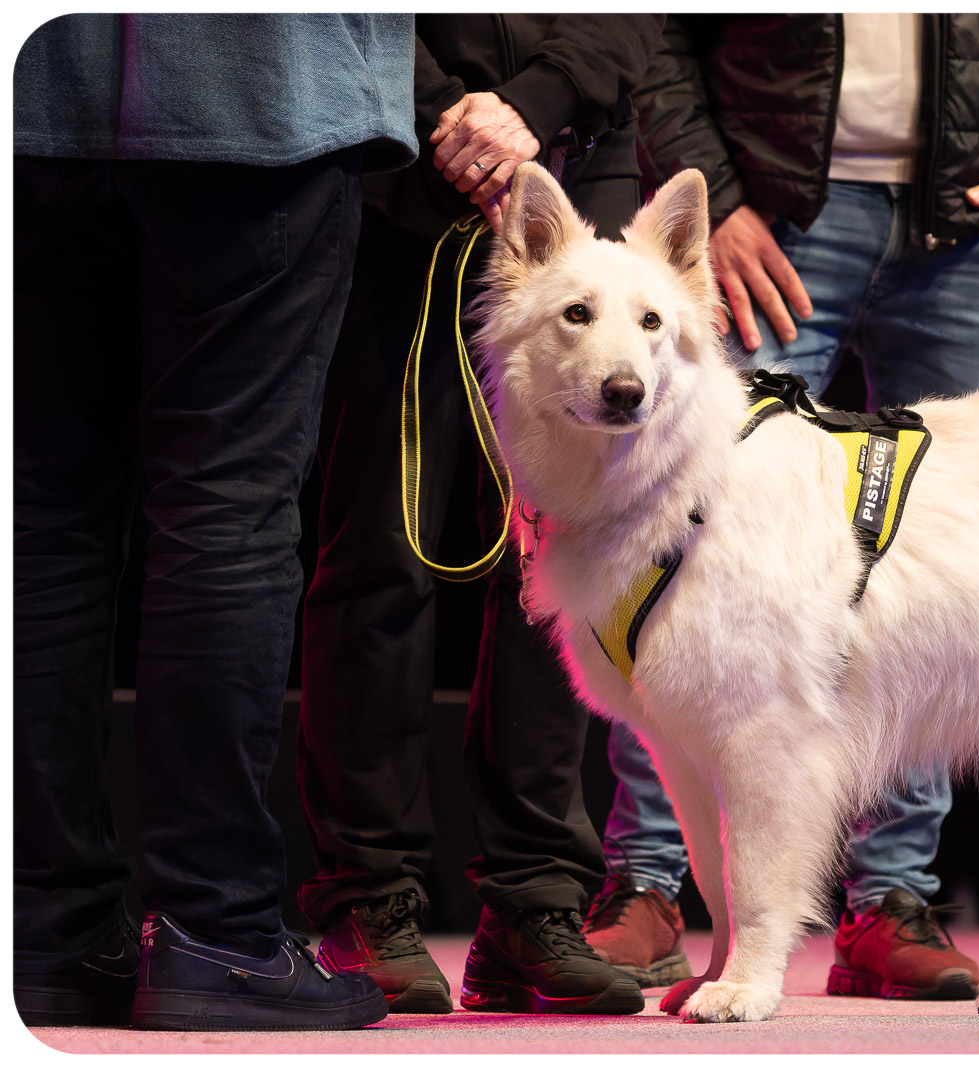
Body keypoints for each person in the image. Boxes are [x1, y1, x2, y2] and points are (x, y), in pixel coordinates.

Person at [583, 13, 979, 1000]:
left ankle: (888, 899)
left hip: (971, 209)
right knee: (681, 580)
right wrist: (704, 188)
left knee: (937, 591)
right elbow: (657, 25)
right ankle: (654, 884)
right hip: (771, 202)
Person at [12, 14, 415, 1030]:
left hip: (36, 97)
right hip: (254, 89)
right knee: (224, 503)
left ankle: (50, 932)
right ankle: (218, 930)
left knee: (47, 519)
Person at [295, 15, 664, 1016]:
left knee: (559, 566)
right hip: (399, 173)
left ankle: (535, 903)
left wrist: (526, 111)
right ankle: (365, 895)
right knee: (380, 548)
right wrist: (446, 117)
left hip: (579, 176)